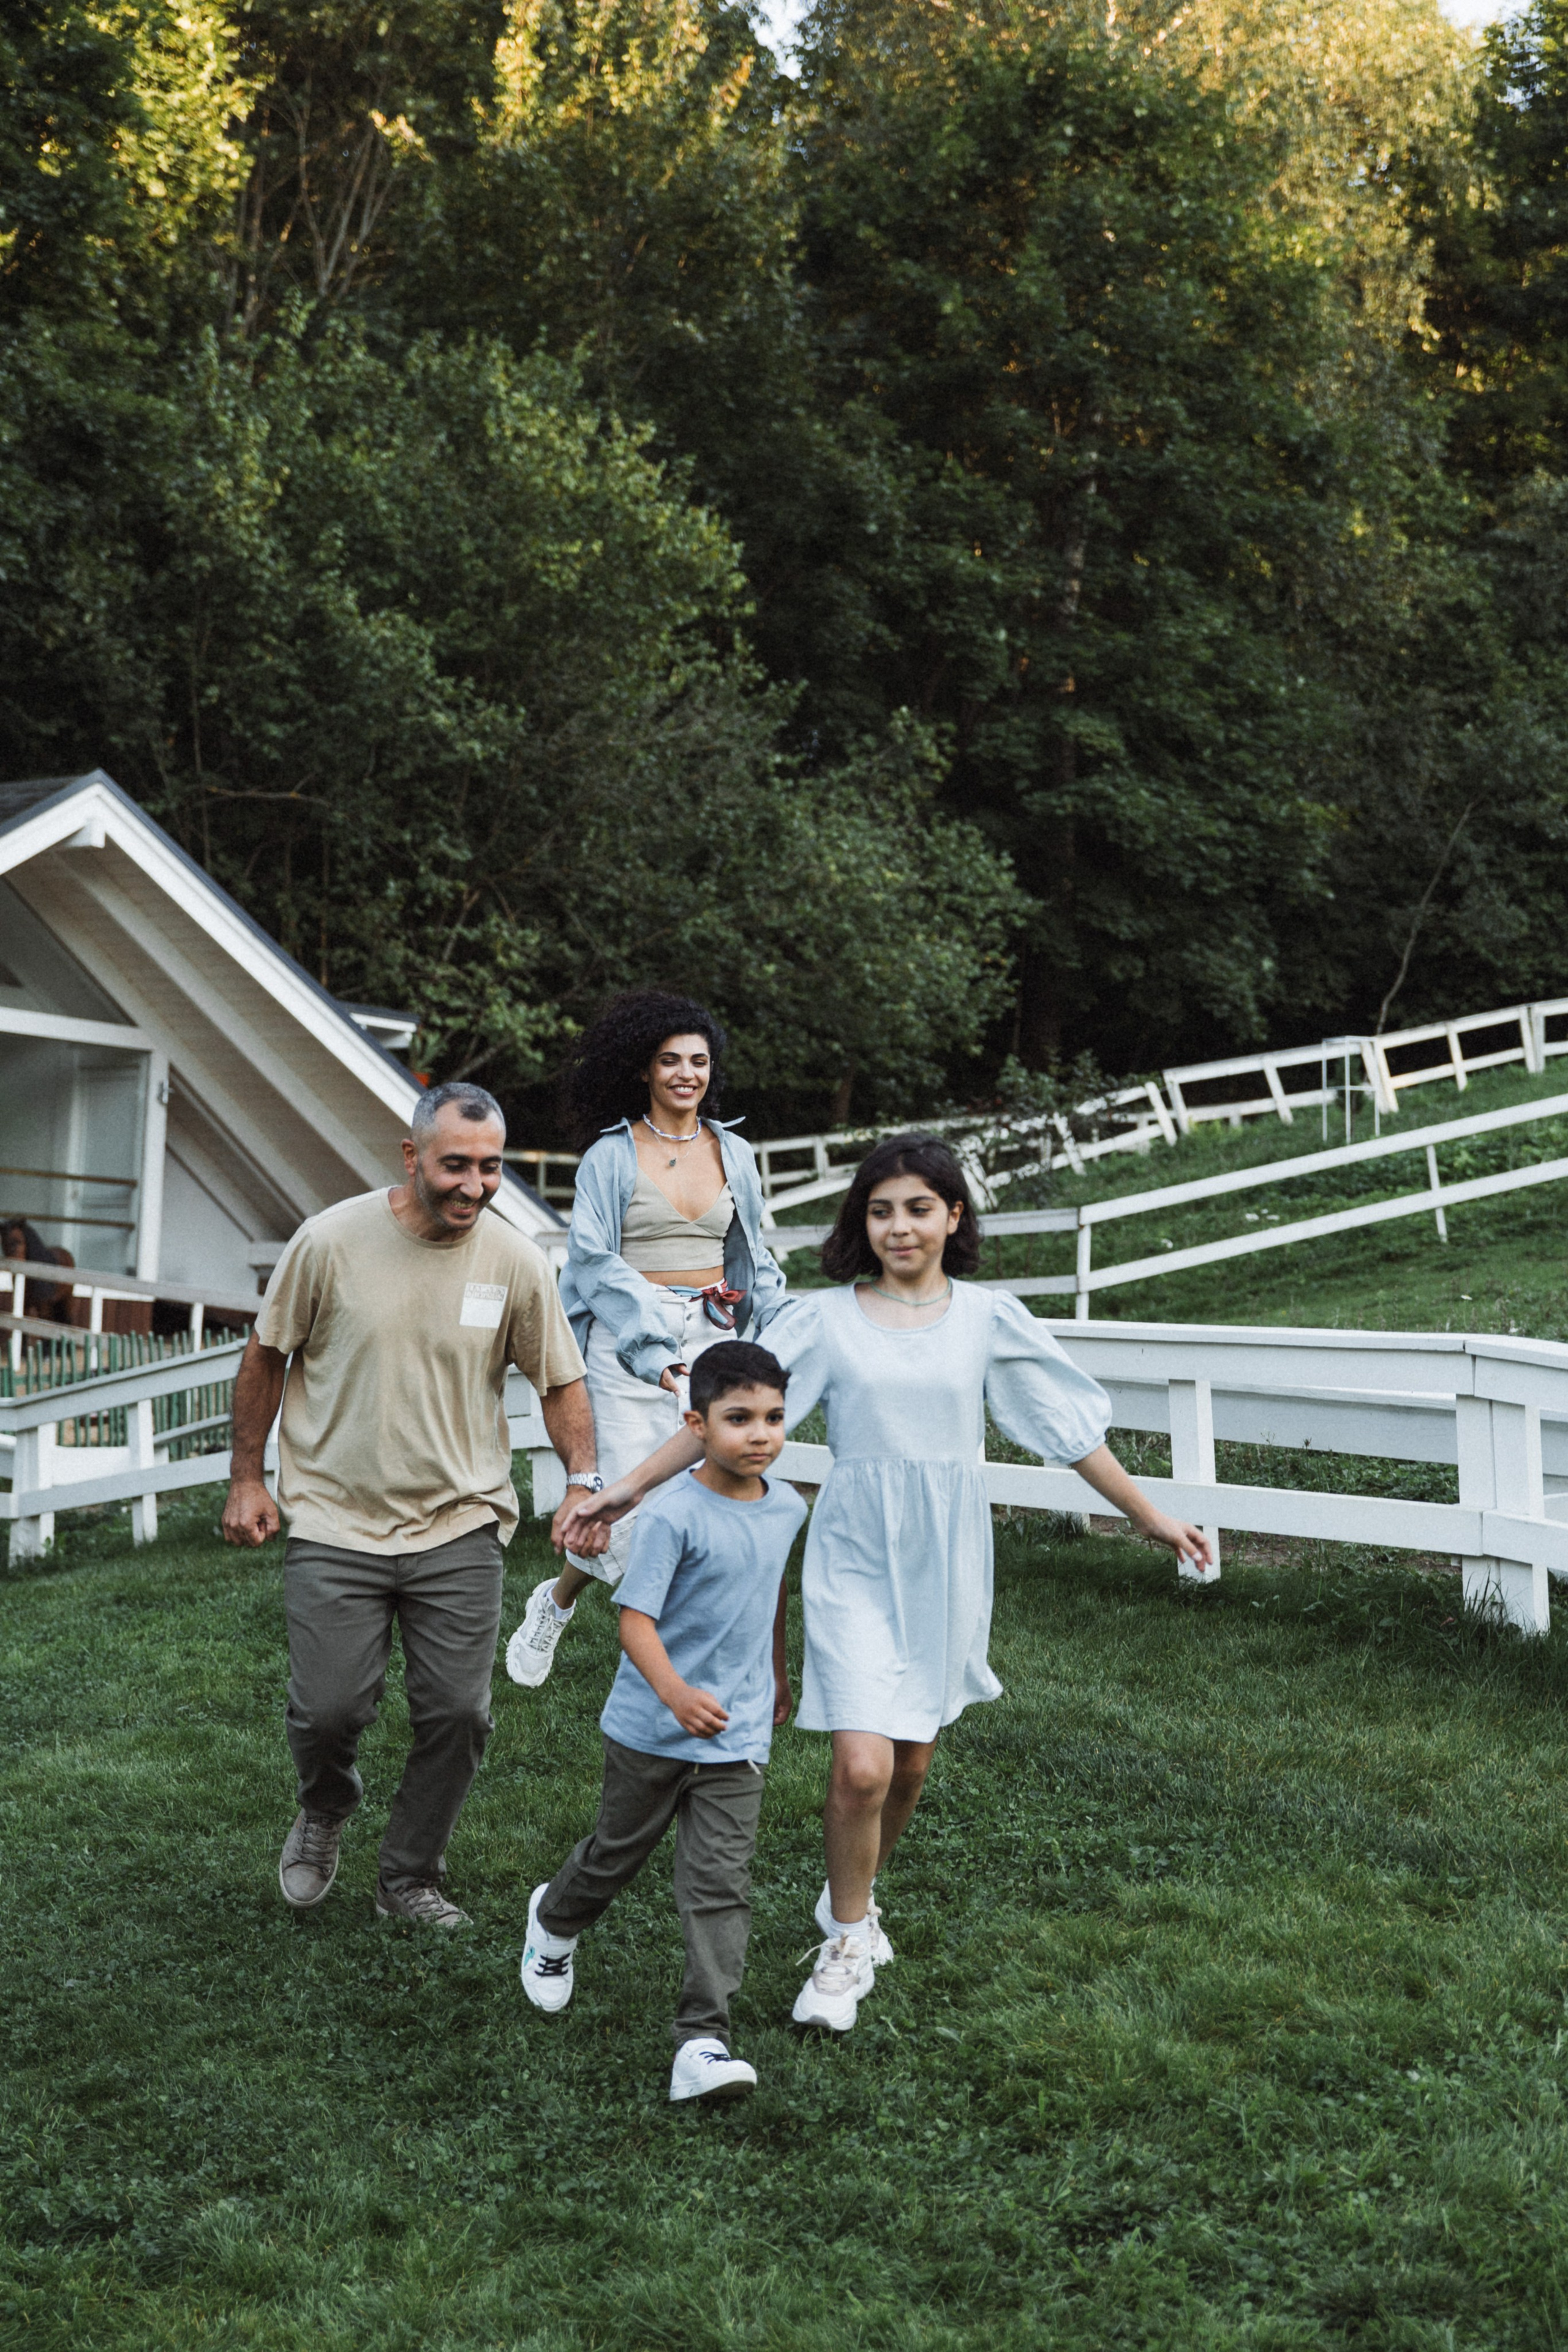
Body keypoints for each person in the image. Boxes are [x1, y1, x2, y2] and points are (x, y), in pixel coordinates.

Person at [559, 1133, 1213, 2033]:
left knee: (911, 1762)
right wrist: (625, 1488)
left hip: (945, 1558)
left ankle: (848, 1905)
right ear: (860, 1223)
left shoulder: (988, 1318)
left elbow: (1068, 1432)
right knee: (862, 1765)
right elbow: (724, 1412)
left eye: (916, 1208)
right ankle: (849, 1941)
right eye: (880, 1210)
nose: (898, 1227)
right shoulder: (823, 1320)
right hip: (855, 1550)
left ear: (953, 1216)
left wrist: (1153, 1519)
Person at [221, 1082, 598, 1928]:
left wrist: (582, 1477)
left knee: (459, 1713)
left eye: (491, 1167)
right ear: (411, 1156)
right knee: (329, 1711)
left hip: (459, 1519)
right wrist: (248, 1477)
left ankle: (409, 1879)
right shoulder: (330, 1243)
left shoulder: (516, 1261)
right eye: (455, 1165)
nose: (474, 1185)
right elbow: (265, 1357)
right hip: (334, 1517)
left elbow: (562, 1381)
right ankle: (325, 1806)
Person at [519, 1340, 804, 2101]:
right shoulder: (672, 1514)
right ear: (696, 1424)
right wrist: (676, 1695)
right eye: (739, 1418)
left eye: (774, 1418)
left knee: (718, 1885)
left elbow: (769, 1593)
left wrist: (776, 1672)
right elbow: (635, 1622)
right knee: (616, 1854)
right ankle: (553, 1919)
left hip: (736, 1736)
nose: (760, 1435)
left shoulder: (787, 1508)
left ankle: (702, 2043)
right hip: (650, 1730)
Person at [503, 989, 788, 1690]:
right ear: (644, 1070)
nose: (686, 1073)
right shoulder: (610, 1155)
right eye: (670, 1061)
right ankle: (559, 1601)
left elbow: (755, 1252)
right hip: (630, 1340)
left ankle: (675, 1654)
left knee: (708, 1492)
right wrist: (658, 1352)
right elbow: (595, 1264)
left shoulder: (735, 1150)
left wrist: (784, 1328)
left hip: (715, 1333)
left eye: (698, 1061)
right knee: (628, 1502)